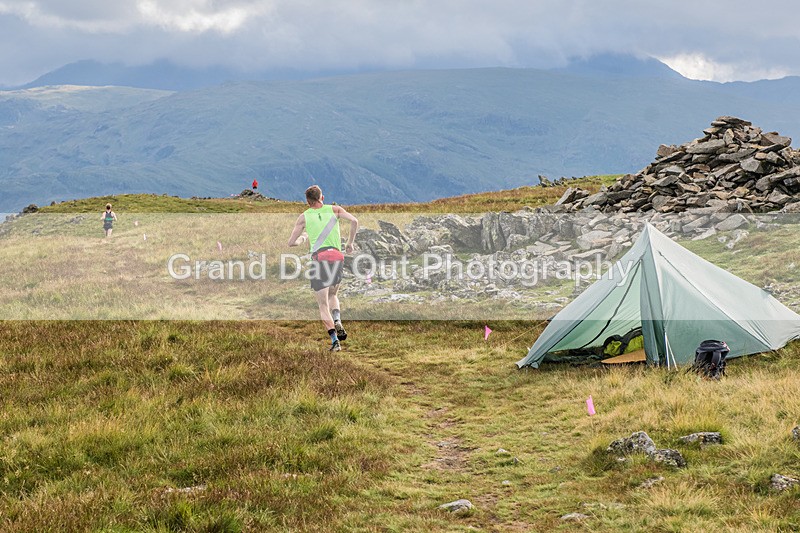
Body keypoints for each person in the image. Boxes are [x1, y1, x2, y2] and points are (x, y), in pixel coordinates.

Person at [288, 185, 359, 351]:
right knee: (333, 294)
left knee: (322, 304)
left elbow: (291, 242)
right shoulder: (335, 209)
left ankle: (335, 341)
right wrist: (350, 243)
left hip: (320, 259)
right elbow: (354, 221)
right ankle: (338, 320)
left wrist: (304, 238)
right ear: (322, 198)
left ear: (307, 201)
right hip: (337, 257)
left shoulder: (304, 217)